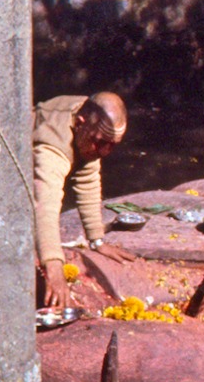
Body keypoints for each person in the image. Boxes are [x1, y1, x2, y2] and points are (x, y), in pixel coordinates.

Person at [33, 92, 134, 310]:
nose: (105, 152)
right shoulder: (52, 148)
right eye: (100, 143)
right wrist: (53, 268)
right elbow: (45, 208)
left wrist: (96, 239)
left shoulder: (89, 124)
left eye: (113, 145)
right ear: (80, 124)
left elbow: (87, 178)